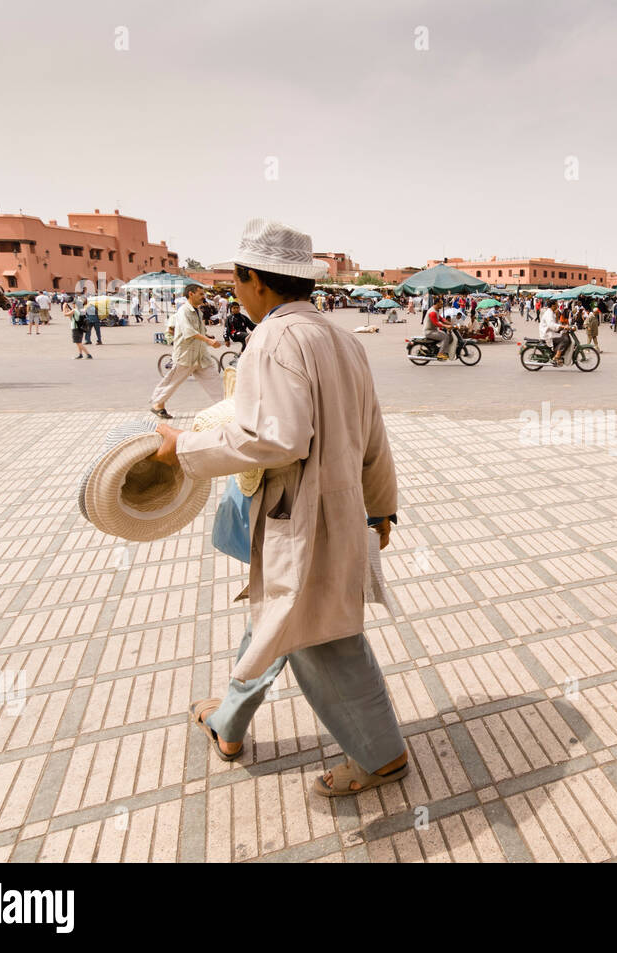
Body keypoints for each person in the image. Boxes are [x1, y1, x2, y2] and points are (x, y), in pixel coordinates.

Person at [152, 219, 406, 797]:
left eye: (236, 279)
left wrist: (183, 446)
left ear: (254, 279)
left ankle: (382, 756)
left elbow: (277, 438)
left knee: (319, 637)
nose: (233, 291)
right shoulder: (342, 338)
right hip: (334, 511)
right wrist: (381, 506)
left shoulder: (274, 337)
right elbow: (373, 434)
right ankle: (229, 723)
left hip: (302, 514)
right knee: (288, 618)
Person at [149, 283, 222, 418]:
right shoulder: (183, 311)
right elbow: (188, 331)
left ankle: (225, 406)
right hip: (186, 355)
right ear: (191, 294)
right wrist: (208, 341)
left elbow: (200, 330)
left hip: (200, 356)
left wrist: (208, 336)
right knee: (172, 382)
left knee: (214, 380)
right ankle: (157, 404)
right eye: (200, 294)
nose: (203, 297)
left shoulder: (198, 312)